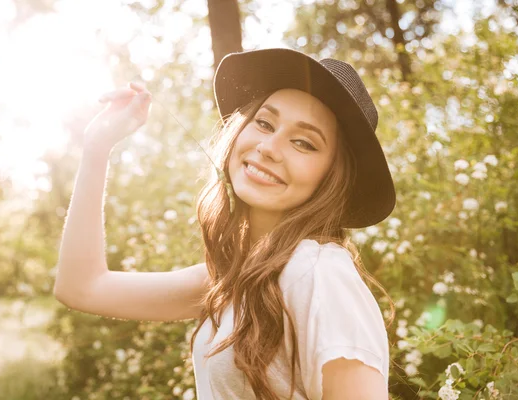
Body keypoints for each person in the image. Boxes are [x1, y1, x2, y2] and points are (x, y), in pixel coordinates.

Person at [54, 48, 396, 400]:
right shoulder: (235, 277)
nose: (269, 147)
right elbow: (82, 287)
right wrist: (97, 147)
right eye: (264, 123)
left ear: (332, 178)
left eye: (303, 143)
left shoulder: (319, 272)